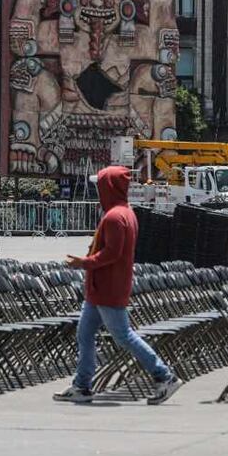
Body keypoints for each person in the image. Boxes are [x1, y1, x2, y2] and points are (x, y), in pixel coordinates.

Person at [55, 165, 183, 405]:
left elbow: (112, 253)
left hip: (107, 287)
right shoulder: (124, 213)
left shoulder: (115, 216)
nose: (97, 191)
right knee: (85, 334)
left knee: (124, 336)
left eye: (100, 186)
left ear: (109, 188)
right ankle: (82, 386)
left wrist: (85, 262)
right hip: (102, 287)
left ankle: (164, 376)